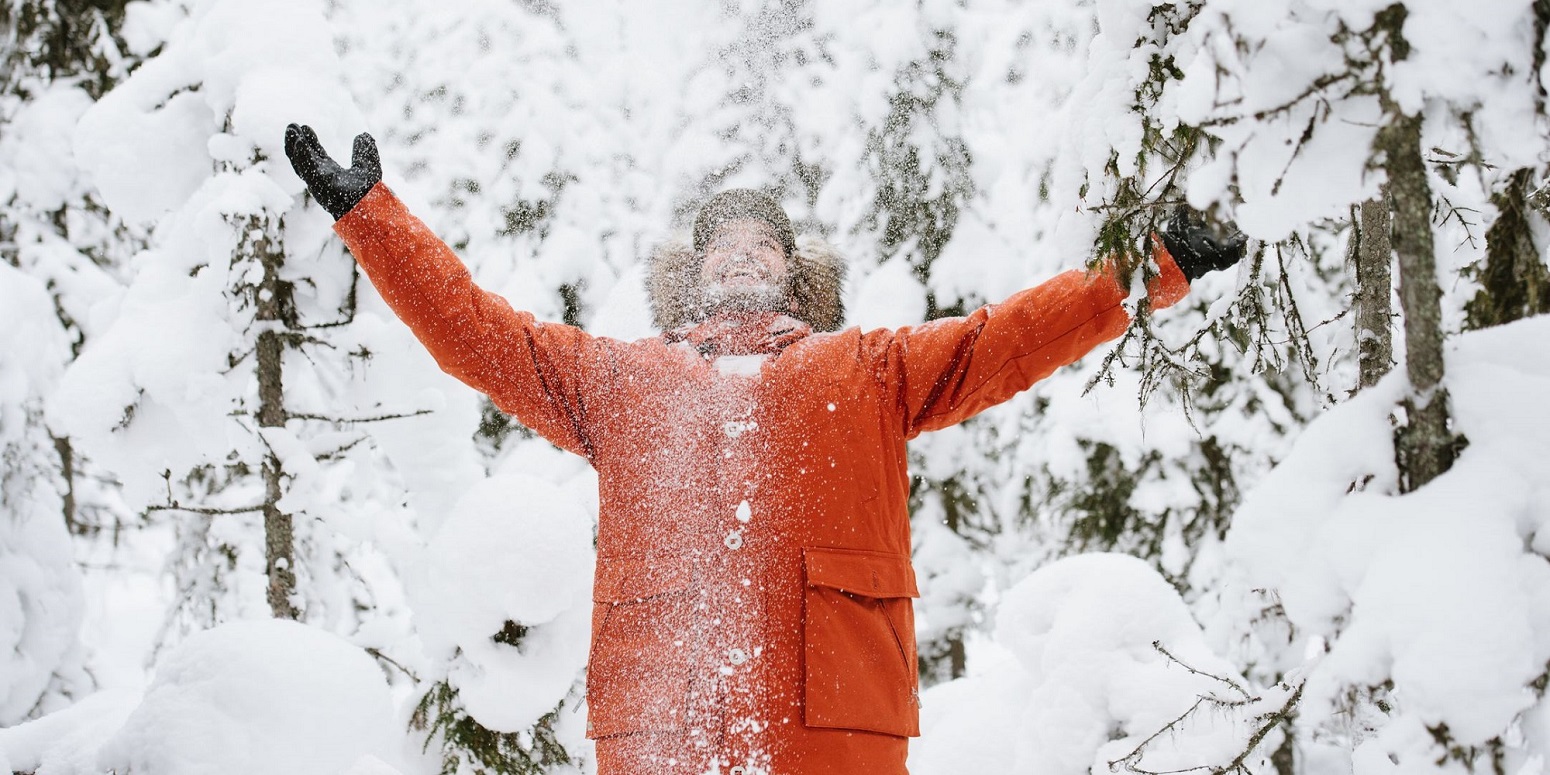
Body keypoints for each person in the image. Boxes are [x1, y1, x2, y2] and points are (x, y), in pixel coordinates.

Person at [284, 124, 1245, 775]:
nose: (741, 252)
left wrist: (1153, 265)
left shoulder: (870, 369)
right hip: (661, 728)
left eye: (765, 243)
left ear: (797, 272)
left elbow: (1016, 335)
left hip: (835, 730)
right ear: (691, 274)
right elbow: (475, 336)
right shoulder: (621, 381)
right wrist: (374, 220)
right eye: (720, 244)